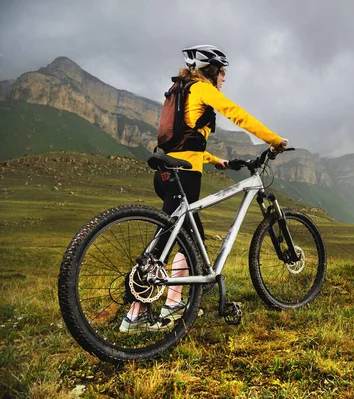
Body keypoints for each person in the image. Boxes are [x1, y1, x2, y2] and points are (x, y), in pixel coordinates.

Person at [120, 44, 288, 332]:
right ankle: (136, 313)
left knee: (183, 237)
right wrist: (273, 139)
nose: (224, 80)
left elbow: (183, 142)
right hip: (184, 176)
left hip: (167, 172)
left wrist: (215, 160)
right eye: (223, 74)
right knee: (166, 243)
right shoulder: (202, 87)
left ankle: (173, 303)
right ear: (214, 71)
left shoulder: (181, 89)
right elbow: (236, 114)